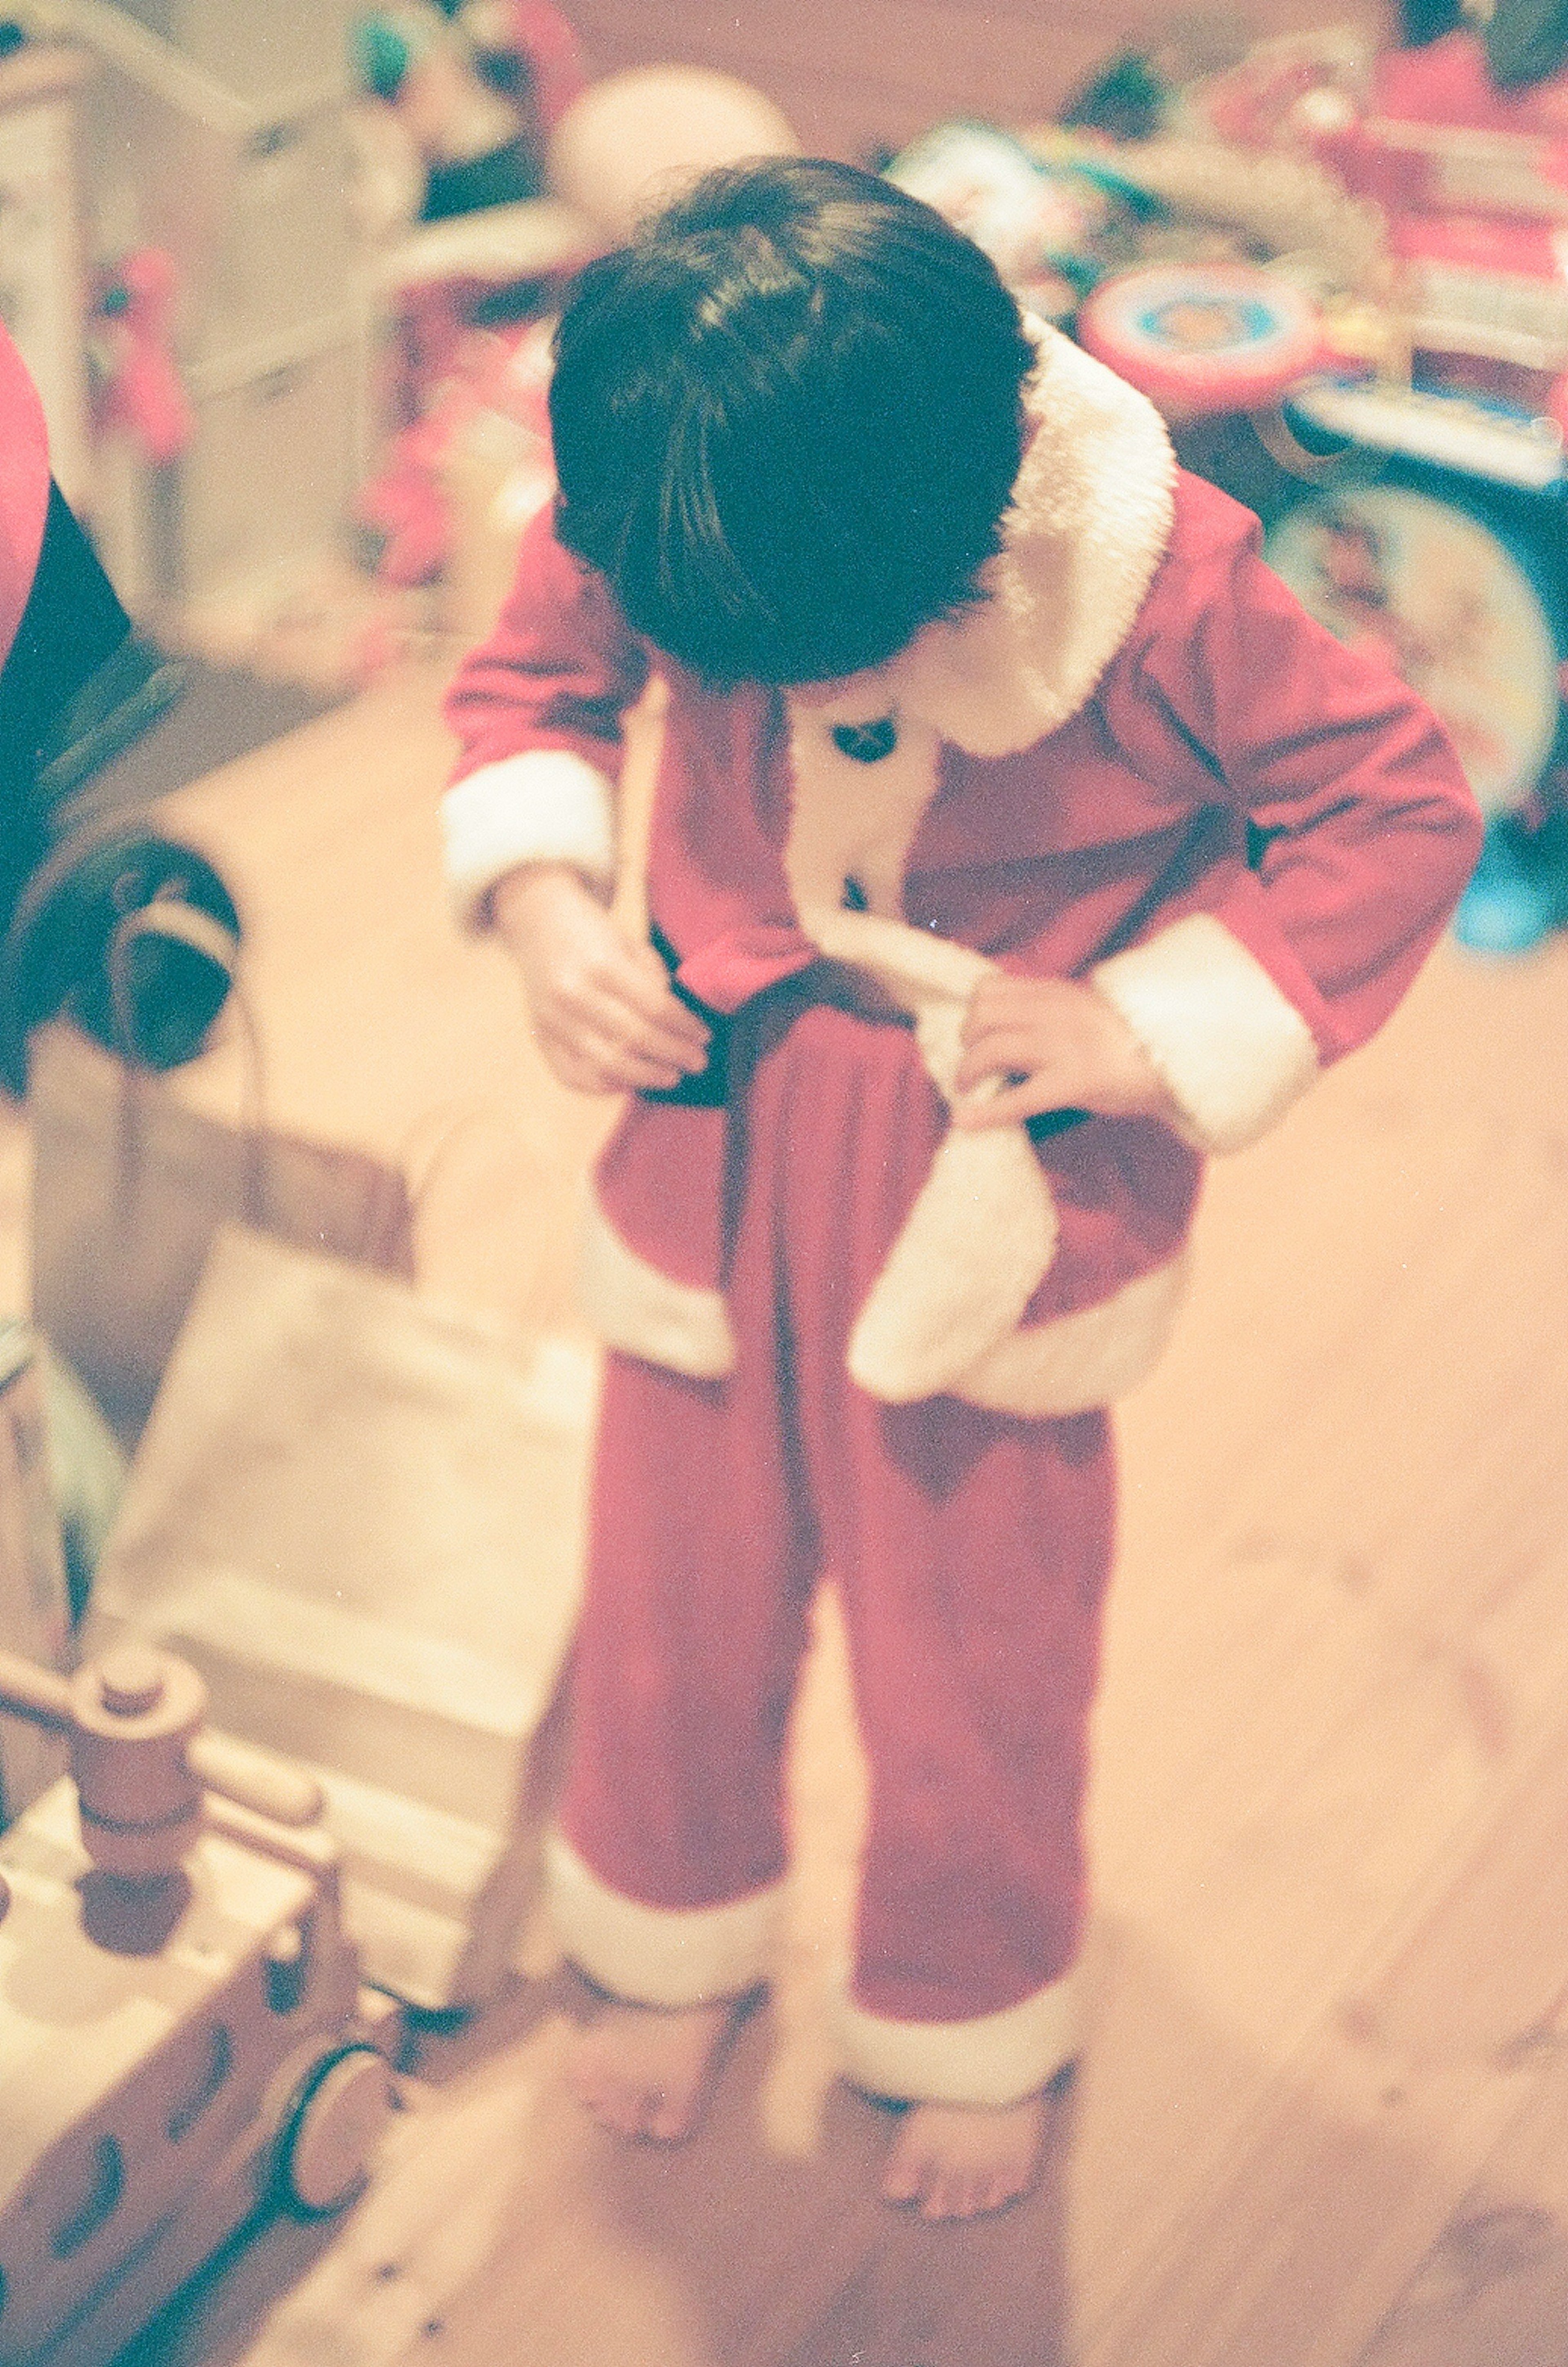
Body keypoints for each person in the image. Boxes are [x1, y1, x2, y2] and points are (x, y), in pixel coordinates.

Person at [441, 158, 1481, 2221]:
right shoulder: (671, 467)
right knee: (671, 1583)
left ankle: (969, 1996)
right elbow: (534, 684)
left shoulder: (1166, 578)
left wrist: (1148, 1028)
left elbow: (1396, 803)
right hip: (709, 1112)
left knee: (971, 1630)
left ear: (964, 556)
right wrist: (553, 904)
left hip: (988, 1153)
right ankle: (668, 1922)